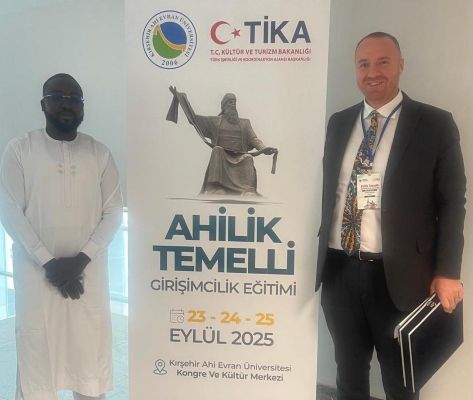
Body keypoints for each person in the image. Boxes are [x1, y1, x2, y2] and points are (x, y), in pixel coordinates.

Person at [316, 32, 466, 400]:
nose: (373, 72)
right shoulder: (339, 122)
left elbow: (452, 202)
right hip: (340, 270)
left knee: (401, 383)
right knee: (348, 376)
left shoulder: (434, 123)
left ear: (401, 64)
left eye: (383, 61)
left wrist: (448, 271)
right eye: (363, 64)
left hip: (400, 277)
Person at [0, 73, 123, 400]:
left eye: (74, 98)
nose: (66, 104)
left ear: (83, 107)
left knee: (89, 357)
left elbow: (114, 212)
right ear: (43, 104)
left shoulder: (99, 153)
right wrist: (48, 263)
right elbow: (9, 211)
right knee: (38, 356)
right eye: (58, 97)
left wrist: (79, 261)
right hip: (36, 275)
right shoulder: (20, 149)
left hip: (88, 275)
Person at [168, 88, 277, 195]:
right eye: (230, 102)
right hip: (222, 155)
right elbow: (195, 119)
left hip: (240, 155)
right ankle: (214, 187)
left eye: (234, 102)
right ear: (224, 106)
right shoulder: (215, 122)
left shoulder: (245, 123)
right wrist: (181, 98)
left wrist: (263, 148)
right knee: (217, 150)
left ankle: (248, 190)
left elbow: (254, 139)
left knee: (248, 158)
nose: (232, 105)